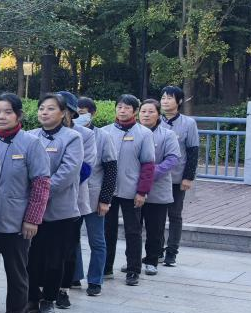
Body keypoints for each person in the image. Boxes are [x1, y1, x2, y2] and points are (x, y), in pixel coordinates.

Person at [0, 94, 49, 313]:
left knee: (17, 273)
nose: (1, 116)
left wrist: (32, 219)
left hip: (17, 223)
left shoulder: (31, 144)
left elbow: (41, 184)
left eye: (7, 112)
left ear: (18, 115)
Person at [26, 93, 84, 313]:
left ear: (63, 113)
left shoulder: (72, 138)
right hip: (31, 211)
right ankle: (32, 298)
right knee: (31, 258)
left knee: (55, 259)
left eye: (50, 108)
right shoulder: (30, 136)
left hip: (60, 211)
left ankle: (48, 300)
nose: (44, 112)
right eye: (41, 108)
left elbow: (68, 172)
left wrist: (40, 194)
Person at [101, 94, 157, 287]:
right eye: (119, 107)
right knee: (107, 231)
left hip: (132, 190)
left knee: (133, 231)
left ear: (135, 111)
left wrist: (142, 191)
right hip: (108, 191)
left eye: (126, 108)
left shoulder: (144, 133)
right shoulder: (105, 132)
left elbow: (148, 165)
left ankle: (133, 270)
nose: (122, 111)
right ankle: (106, 267)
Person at [72, 96, 116, 297]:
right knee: (72, 239)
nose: (78, 117)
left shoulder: (103, 136)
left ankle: (95, 280)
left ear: (92, 113)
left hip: (94, 196)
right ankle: (74, 276)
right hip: (72, 198)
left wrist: (105, 199)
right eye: (76, 113)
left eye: (82, 113)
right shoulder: (69, 133)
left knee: (97, 240)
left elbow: (111, 169)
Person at [138, 98, 181, 276]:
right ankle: (133, 261)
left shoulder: (167, 135)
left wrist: (150, 174)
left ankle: (152, 260)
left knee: (155, 229)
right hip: (134, 189)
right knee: (133, 229)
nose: (146, 115)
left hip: (157, 188)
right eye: (143, 111)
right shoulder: (134, 132)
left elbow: (172, 158)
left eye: (151, 111)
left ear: (158, 115)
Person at [160, 86, 199, 266]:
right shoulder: (154, 120)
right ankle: (157, 250)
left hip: (176, 177)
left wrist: (188, 177)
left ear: (179, 101)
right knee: (156, 216)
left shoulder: (188, 123)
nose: (165, 101)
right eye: (163, 98)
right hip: (156, 178)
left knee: (174, 215)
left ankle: (172, 253)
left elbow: (193, 151)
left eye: (169, 98)